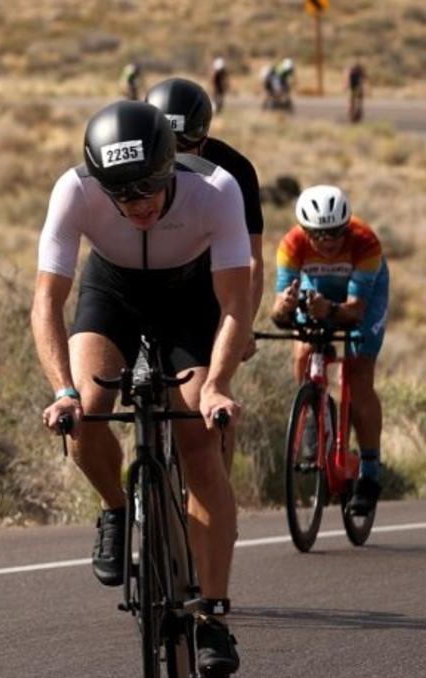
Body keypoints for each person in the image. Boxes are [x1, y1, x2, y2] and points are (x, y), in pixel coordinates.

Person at [31, 101, 251, 678]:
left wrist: (219, 386)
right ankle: (114, 506)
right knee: (87, 418)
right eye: (121, 195)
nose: (139, 204)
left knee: (200, 442)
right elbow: (47, 302)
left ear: (171, 164)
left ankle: (214, 618)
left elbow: (235, 305)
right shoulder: (73, 190)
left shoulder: (217, 188)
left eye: (150, 186)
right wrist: (62, 391)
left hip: (189, 298)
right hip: (114, 292)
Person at [146, 77, 265, 472]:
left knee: (211, 400)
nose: (177, 159)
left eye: (187, 147)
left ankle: (218, 489)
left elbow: (251, 259)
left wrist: (244, 324)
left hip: (213, 279)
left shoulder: (235, 171)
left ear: (205, 138)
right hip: (153, 277)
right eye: (168, 146)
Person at [270, 185, 389, 516]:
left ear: (347, 226)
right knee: (303, 349)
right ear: (304, 231)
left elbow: (356, 311)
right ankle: (313, 410)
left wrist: (331, 311)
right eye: (318, 235)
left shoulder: (365, 241)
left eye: (335, 233)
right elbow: (280, 313)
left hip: (363, 299)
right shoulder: (291, 245)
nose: (327, 242)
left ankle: (370, 474)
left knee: (359, 373)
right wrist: (285, 307)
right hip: (318, 291)